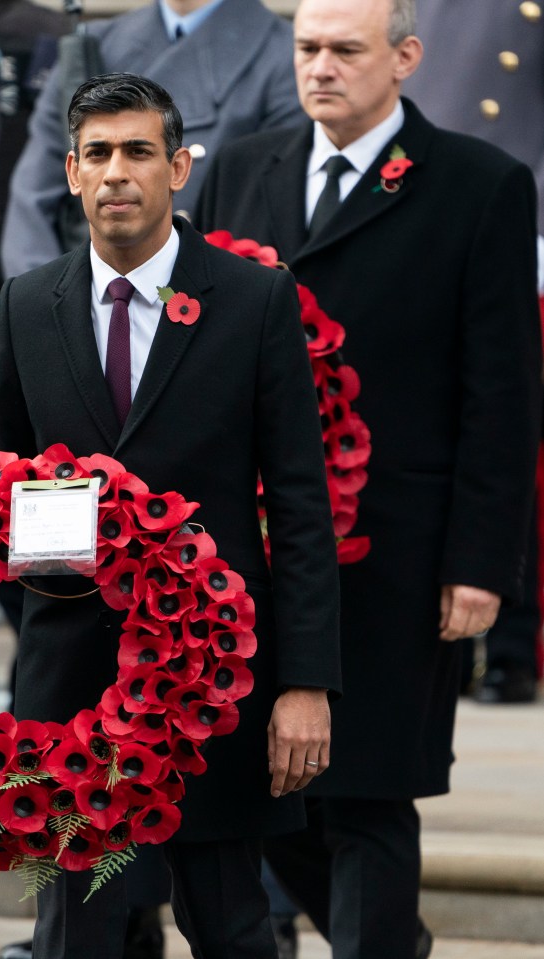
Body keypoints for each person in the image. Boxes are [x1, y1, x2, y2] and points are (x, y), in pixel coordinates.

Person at [194, 0, 542, 957]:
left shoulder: (479, 184)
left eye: (346, 51)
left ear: (405, 58)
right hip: (259, 544)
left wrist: (481, 562)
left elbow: (503, 395)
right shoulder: (239, 167)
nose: (322, 69)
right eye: (307, 49)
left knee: (369, 791)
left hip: (399, 543)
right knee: (272, 781)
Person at [0, 71, 342, 959]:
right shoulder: (28, 303)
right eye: (96, 154)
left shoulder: (254, 302)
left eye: (138, 152)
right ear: (68, 171)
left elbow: (297, 503)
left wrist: (304, 682)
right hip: (70, 677)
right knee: (74, 930)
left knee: (228, 920)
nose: (116, 173)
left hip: (212, 677)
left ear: (178, 167)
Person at [404, 0, 544, 704]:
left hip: (522, 225)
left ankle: (513, 641)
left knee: (505, 435)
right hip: (412, 227)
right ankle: (450, 641)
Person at [0, 0, 303, 279]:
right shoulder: (97, 44)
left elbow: (267, 219)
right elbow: (32, 204)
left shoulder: (289, 56)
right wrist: (56, 308)